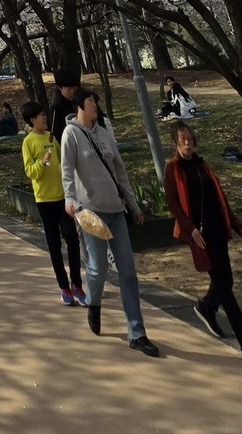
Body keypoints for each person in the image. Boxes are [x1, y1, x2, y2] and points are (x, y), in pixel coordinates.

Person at [60, 86, 159, 356]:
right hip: (90, 212)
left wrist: (133, 204)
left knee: (128, 272)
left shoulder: (105, 134)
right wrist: (70, 200)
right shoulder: (71, 134)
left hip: (115, 210)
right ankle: (93, 302)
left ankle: (137, 332)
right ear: (79, 105)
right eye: (90, 100)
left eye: (95, 101)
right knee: (97, 268)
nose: (95, 104)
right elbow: (66, 170)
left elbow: (120, 172)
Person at [163, 120, 242, 368]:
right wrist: (191, 229)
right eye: (182, 139)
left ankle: (207, 307)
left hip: (218, 230)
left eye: (190, 138)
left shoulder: (203, 165)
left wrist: (238, 227)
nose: (187, 143)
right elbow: (174, 205)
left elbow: (220, 199)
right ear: (175, 142)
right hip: (200, 236)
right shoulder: (172, 168)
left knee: (225, 281)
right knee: (224, 286)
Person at [20, 101, 85, 305]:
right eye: (41, 115)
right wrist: (41, 163)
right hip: (45, 200)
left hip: (63, 198)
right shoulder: (28, 142)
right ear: (32, 120)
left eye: (44, 114)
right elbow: (30, 172)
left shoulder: (51, 137)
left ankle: (77, 283)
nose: (45, 118)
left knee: (72, 240)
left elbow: (63, 161)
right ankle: (64, 287)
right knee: (54, 245)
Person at [48, 66, 80, 143]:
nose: (72, 91)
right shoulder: (56, 108)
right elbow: (57, 134)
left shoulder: (83, 100)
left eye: (74, 88)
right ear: (60, 88)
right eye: (68, 89)